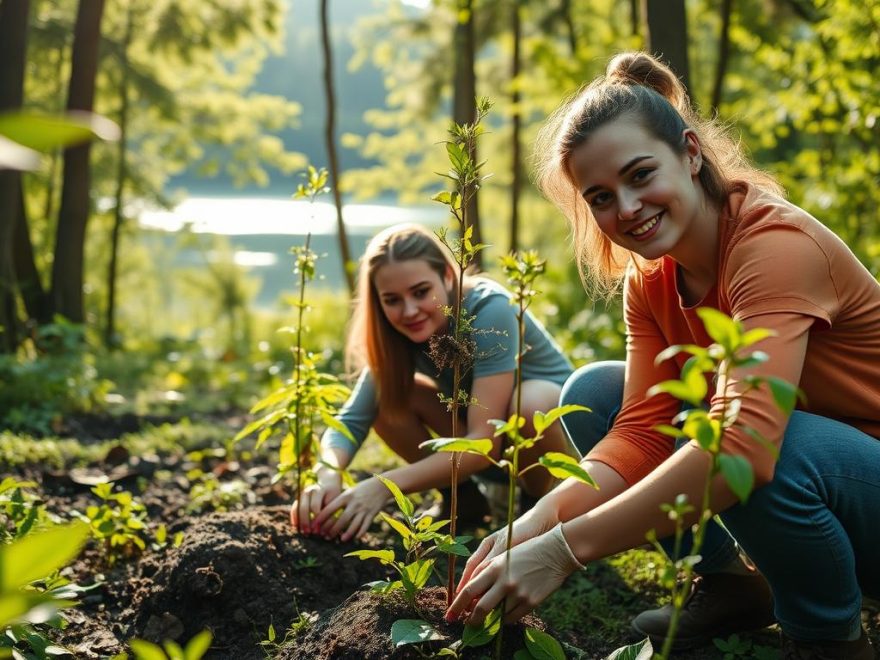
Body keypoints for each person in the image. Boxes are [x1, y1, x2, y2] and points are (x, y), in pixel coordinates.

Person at [446, 52, 880, 660]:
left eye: (641, 174)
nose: (625, 208)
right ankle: (734, 585)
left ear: (692, 153)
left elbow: (742, 450)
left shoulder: (775, 247)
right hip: (821, 479)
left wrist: (564, 550)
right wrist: (536, 523)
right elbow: (642, 433)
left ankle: (831, 641)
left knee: (761, 446)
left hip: (865, 488)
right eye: (599, 196)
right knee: (595, 395)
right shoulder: (650, 281)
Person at [291, 223, 576, 543]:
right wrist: (326, 474)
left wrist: (382, 487)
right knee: (389, 398)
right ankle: (464, 501)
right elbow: (351, 419)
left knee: (530, 404)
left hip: (554, 444)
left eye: (420, 292)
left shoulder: (489, 308)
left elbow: (483, 444)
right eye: (392, 299)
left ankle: (537, 511)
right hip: (486, 443)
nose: (409, 310)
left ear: (448, 276)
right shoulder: (395, 331)